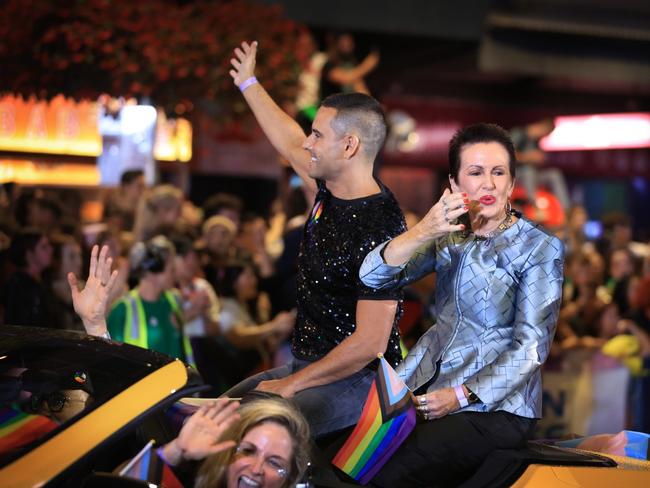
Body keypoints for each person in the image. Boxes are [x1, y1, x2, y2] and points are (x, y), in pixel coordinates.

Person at [359, 123, 565, 487]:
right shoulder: (448, 237)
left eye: (498, 172)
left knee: (393, 472)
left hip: (496, 408)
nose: (488, 183)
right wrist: (424, 229)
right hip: (420, 388)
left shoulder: (538, 247)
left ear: (512, 183)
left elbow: (532, 347)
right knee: (350, 463)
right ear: (454, 185)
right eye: (475, 172)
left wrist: (459, 396)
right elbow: (372, 276)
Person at [227, 41, 405, 437]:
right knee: (211, 419)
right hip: (307, 365)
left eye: (317, 134)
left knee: (247, 434)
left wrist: (290, 386)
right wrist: (248, 83)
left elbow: (369, 342)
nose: (308, 142)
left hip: (359, 380)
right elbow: (289, 141)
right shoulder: (329, 187)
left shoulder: (380, 227)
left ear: (349, 145)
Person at [66, 248, 312, 488]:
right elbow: (124, 476)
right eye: (247, 450)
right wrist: (176, 452)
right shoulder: (128, 306)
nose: (256, 469)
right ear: (225, 455)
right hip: (155, 398)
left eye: (275, 462)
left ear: (292, 479)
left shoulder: (172, 300)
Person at [106, 235, 193, 363]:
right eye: (171, 269)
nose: (175, 274)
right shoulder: (122, 310)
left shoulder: (174, 300)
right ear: (153, 271)